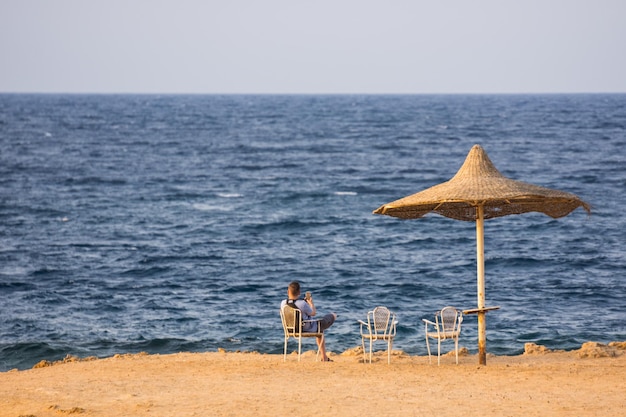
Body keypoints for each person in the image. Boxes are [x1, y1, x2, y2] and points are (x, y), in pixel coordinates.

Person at [280, 281, 337, 362]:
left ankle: (324, 357)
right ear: (299, 292)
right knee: (330, 317)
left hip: (290, 329)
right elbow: (313, 313)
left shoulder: (283, 303)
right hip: (306, 328)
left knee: (320, 330)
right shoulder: (302, 303)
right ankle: (324, 357)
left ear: (288, 292)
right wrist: (311, 303)